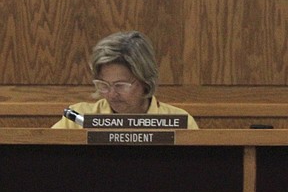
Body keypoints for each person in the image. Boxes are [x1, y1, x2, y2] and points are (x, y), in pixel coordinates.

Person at [52, 30, 199, 129]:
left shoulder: (180, 122)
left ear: (145, 81)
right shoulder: (75, 120)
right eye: (104, 85)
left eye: (120, 85)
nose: (111, 94)